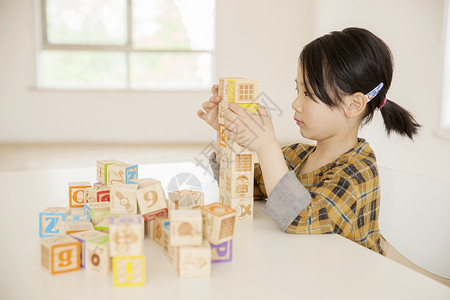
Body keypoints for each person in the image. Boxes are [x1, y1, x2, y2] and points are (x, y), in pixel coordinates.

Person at [197, 27, 421, 255]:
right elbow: (246, 186)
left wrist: (267, 146)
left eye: (309, 94)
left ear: (353, 105)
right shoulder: (297, 155)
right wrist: (226, 133)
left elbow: (298, 217)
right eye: (298, 90)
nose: (295, 103)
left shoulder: (359, 172)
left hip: (347, 282)